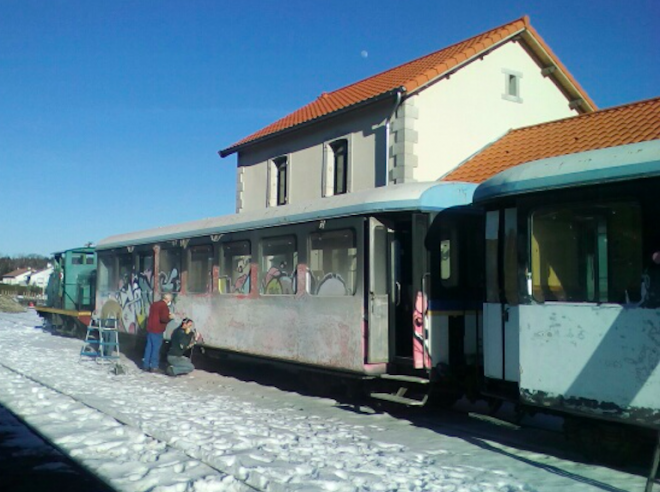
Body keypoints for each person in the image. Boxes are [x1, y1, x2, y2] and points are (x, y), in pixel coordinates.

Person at [143, 293, 174, 373]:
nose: (170, 301)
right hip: (157, 330)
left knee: (149, 348)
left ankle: (145, 366)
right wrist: (170, 317)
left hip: (150, 329)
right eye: (170, 300)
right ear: (167, 299)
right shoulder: (164, 307)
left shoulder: (154, 304)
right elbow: (163, 319)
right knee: (156, 349)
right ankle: (154, 367)